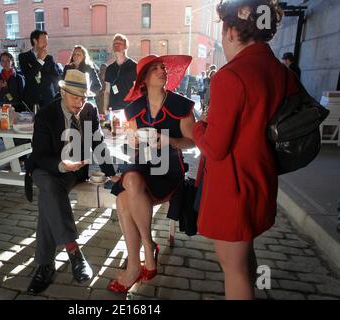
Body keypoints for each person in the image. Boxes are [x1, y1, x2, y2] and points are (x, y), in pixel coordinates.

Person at [191, 0, 299, 300]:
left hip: (233, 187)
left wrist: (196, 127)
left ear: (230, 31)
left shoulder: (230, 76)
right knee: (244, 259)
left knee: (233, 269)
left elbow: (215, 147)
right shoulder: (279, 71)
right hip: (260, 178)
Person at [107, 54, 195, 293]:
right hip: (143, 165)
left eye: (163, 68)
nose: (161, 71)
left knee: (124, 195)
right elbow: (135, 146)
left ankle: (140, 259)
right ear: (144, 79)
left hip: (170, 169)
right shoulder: (134, 109)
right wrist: (133, 141)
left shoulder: (181, 105)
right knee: (131, 182)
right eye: (155, 68)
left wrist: (170, 140)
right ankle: (144, 252)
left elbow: (193, 142)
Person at [24, 69, 117, 295]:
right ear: (62, 92)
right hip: (46, 168)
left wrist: (112, 172)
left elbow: (97, 143)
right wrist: (61, 164)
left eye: (84, 96)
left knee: (49, 195)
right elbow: (39, 155)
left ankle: (45, 266)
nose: (80, 101)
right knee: (48, 183)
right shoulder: (46, 115)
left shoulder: (90, 111)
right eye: (75, 96)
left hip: (73, 171)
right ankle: (74, 252)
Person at [18, 30, 60, 111]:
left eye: (47, 41)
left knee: (47, 122)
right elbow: (28, 76)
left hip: (48, 98)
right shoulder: (23, 57)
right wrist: (40, 61)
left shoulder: (49, 58)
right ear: (35, 41)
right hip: (31, 98)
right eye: (44, 41)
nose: (46, 44)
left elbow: (56, 77)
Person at [103, 34, 137, 113]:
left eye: (119, 43)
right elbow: (107, 91)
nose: (116, 45)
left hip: (130, 109)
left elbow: (137, 90)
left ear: (126, 47)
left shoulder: (134, 66)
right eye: (114, 44)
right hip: (113, 109)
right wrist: (105, 108)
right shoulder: (109, 69)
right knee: (89, 124)